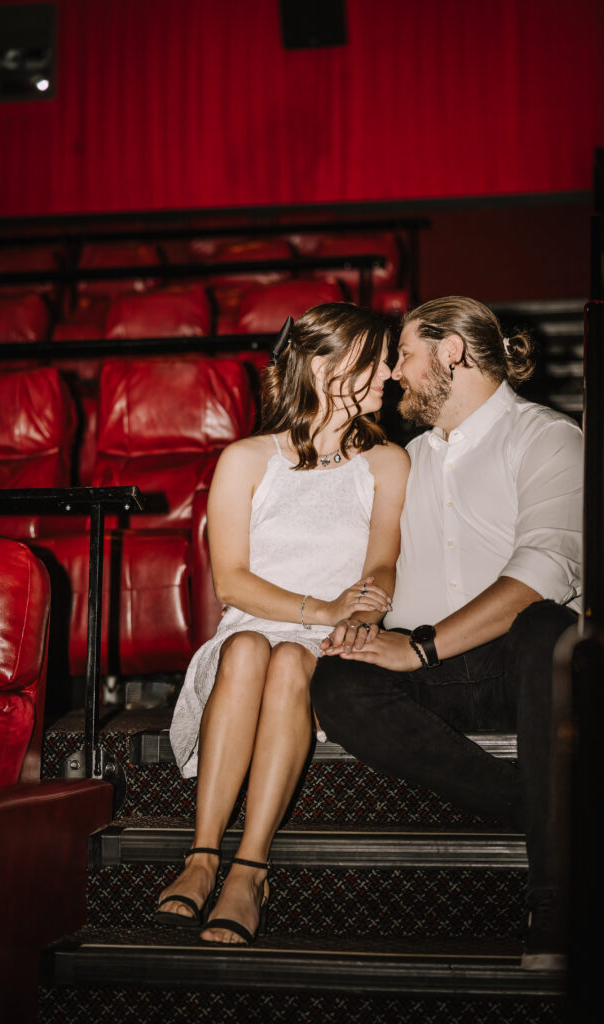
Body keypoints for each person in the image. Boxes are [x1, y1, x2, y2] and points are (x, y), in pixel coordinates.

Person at [311, 295, 582, 969]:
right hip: (429, 670)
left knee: (550, 630)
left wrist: (420, 645)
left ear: (452, 351)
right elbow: (384, 565)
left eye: (403, 354)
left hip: (517, 661)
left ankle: (556, 901)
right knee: (337, 680)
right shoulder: (406, 460)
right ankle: (541, 807)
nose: (395, 373)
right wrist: (366, 616)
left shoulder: (548, 436)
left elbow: (543, 567)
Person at [158, 302, 409, 945]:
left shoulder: (386, 463)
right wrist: (320, 607)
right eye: (376, 360)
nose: (390, 374)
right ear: (326, 365)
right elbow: (230, 581)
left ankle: (249, 869)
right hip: (253, 627)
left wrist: (362, 610)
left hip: (325, 644)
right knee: (245, 648)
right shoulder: (245, 459)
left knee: (294, 660)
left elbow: (381, 564)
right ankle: (201, 854)